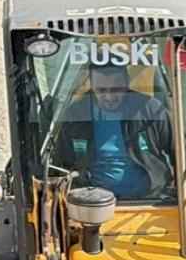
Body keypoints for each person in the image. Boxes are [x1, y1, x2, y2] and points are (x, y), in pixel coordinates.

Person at [53, 62, 174, 201]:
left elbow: (179, 151)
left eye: (116, 89)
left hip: (149, 200)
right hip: (92, 205)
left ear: (127, 84)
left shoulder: (150, 110)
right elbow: (61, 164)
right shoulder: (76, 115)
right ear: (91, 87)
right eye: (101, 90)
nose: (109, 97)